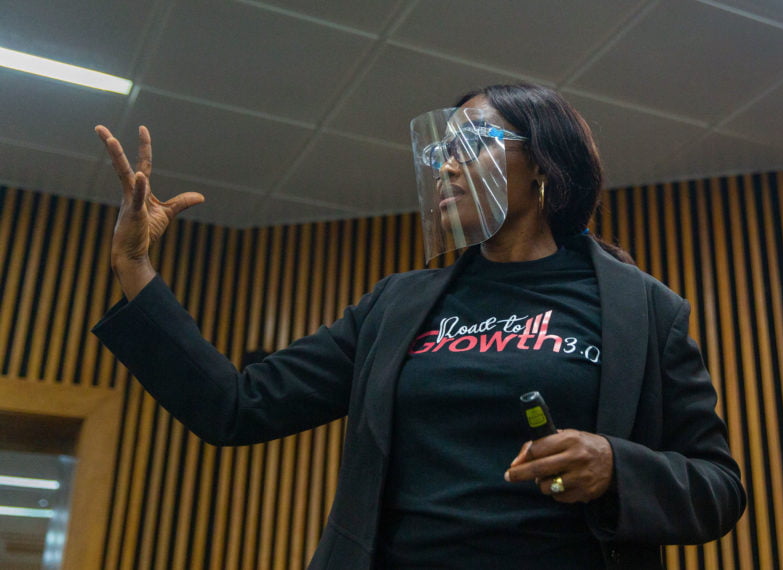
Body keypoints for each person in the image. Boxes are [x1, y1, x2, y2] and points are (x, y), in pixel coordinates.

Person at [92, 84, 746, 569]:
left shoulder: (642, 310)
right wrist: (134, 266)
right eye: (441, 150)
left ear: (544, 164)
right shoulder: (394, 307)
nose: (447, 165)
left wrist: (616, 466)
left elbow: (718, 488)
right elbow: (235, 408)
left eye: (473, 145)